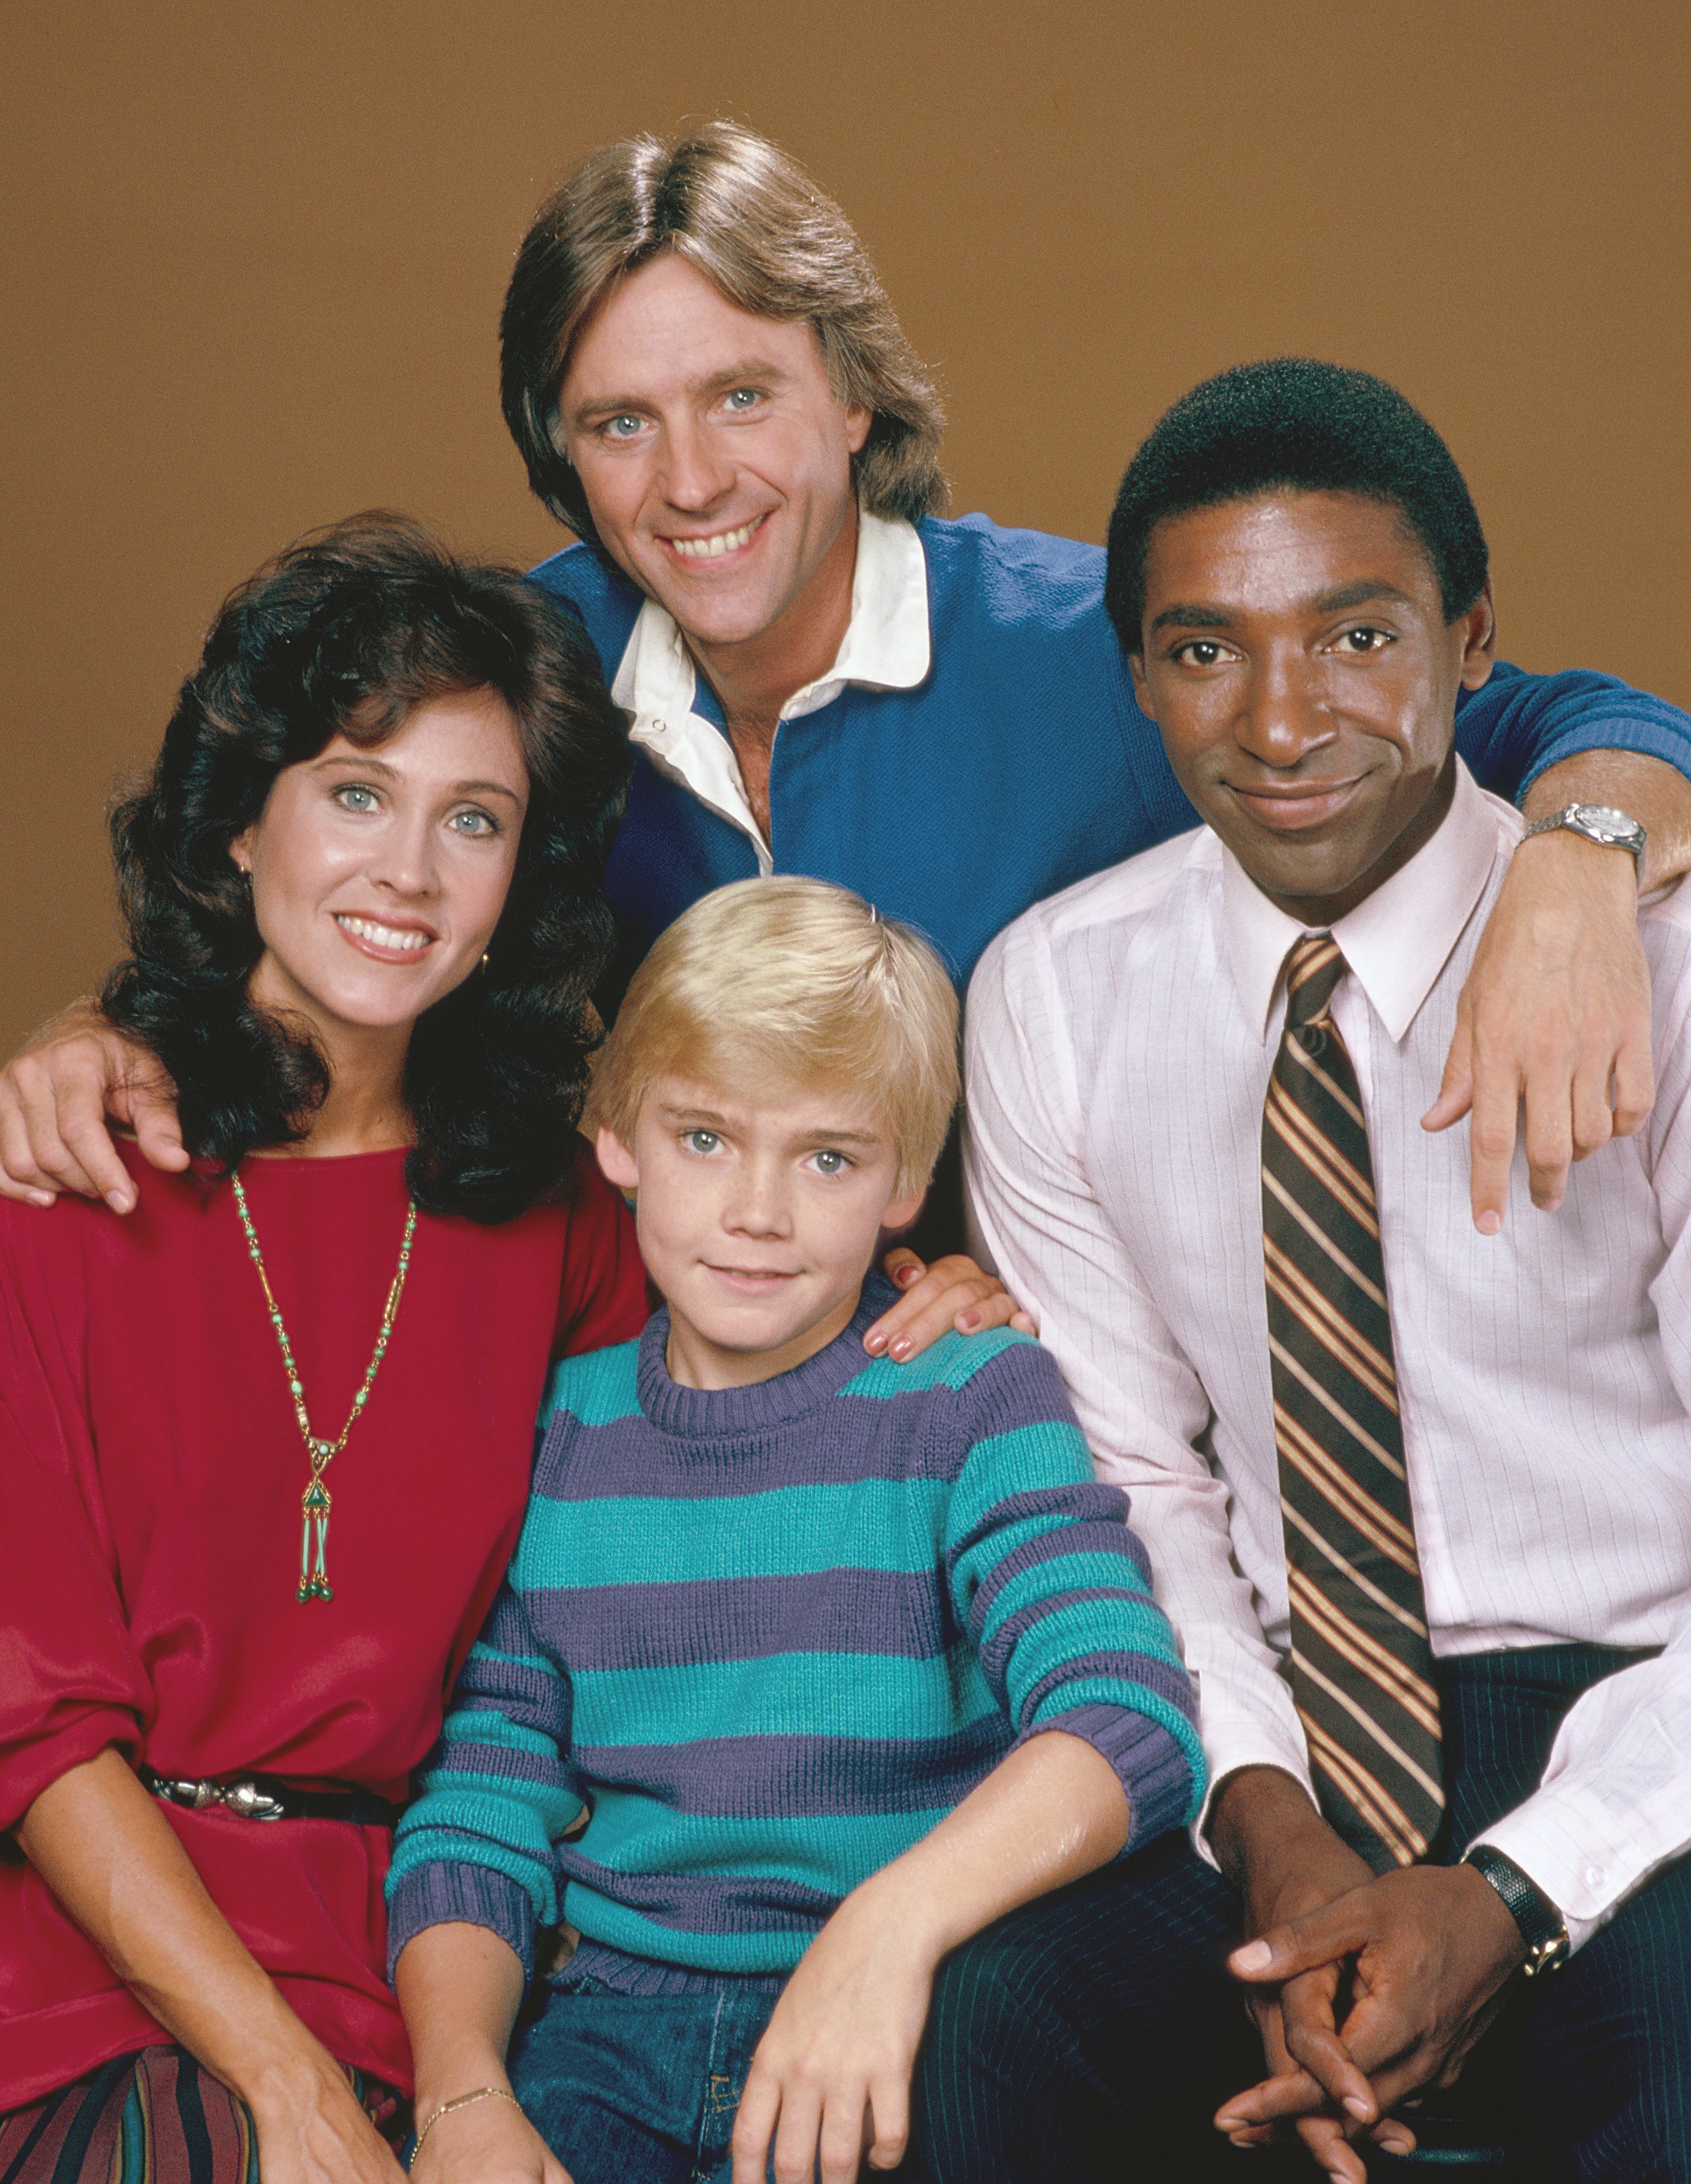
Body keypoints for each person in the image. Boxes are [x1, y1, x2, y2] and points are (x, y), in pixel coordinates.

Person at [10, 124, 1691, 1240]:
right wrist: (106, 1032)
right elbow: (313, 895)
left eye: (742, 396)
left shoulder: (1082, 644)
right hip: (641, 1416)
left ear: (856, 399)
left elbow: (1533, 719)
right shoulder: (526, 668)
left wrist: (1577, 864)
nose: (688, 480)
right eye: (618, 422)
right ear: (565, 460)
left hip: (1030, 1403)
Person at [956, 360, 1691, 2182]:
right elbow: (1135, 1483)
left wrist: (1515, 1890)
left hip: (1641, 1723)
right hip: (1277, 1718)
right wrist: (1275, 1836)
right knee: (977, 2049)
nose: (1282, 720)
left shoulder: (1655, 964)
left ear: (1470, 643)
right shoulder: (1053, 994)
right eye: (1205, 652)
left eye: (1355, 635)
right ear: (1138, 678)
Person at [0, 515, 660, 2183]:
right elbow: (34, 1721)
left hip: (431, 1968)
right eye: (356, 793)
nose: (409, 874)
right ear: (237, 825)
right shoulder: (57, 1183)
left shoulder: (580, 1223)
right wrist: (282, 2092)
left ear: (522, 883)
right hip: (83, 1980)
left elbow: (595, 1647)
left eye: (476, 820)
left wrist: (949, 1302)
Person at [382, 876, 1204, 2184]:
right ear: (615, 1138)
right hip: (602, 2032)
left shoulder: (969, 1395)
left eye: (828, 1158)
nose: (758, 1211)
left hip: (896, 2014)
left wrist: (889, 1930)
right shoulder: (558, 1433)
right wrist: (463, 2092)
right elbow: (483, 1805)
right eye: (704, 1138)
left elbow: (1126, 1722)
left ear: (907, 1184)